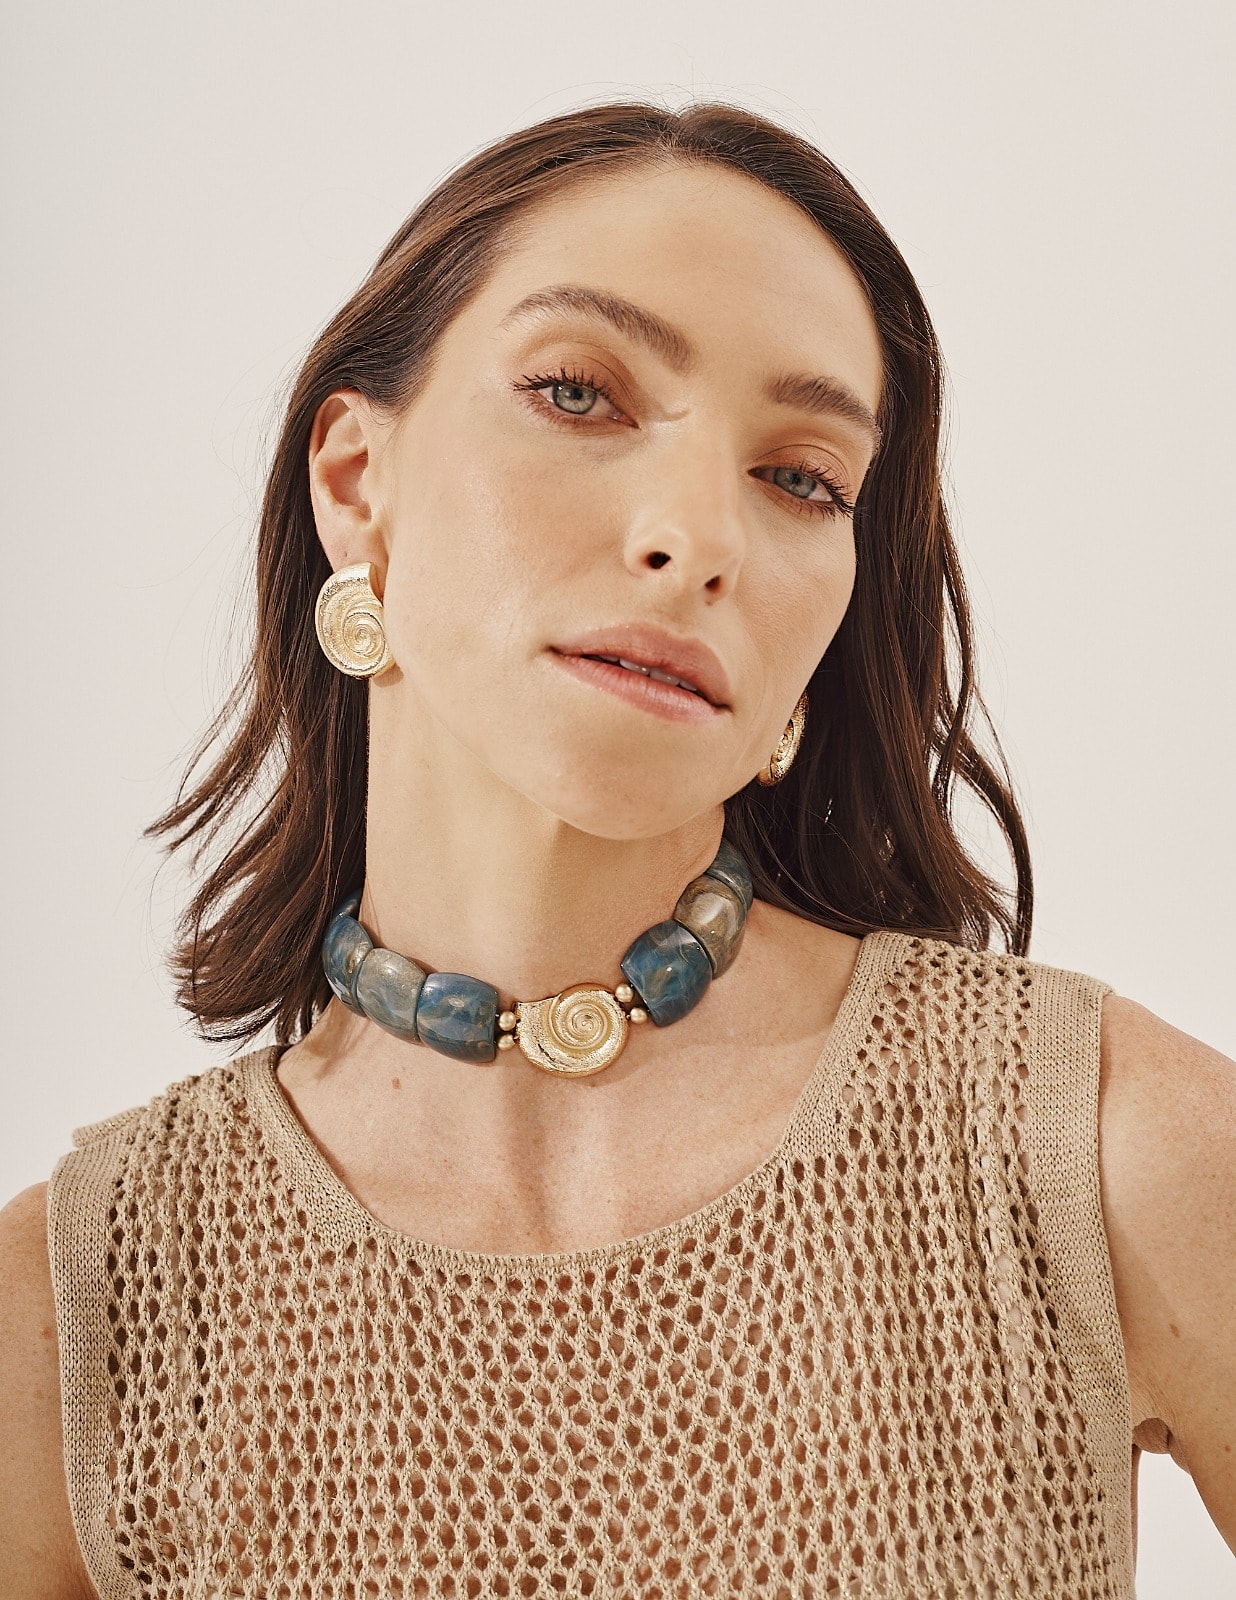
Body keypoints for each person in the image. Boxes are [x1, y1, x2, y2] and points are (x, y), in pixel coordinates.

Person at [1, 99, 1232, 1599]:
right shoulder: (77, 1320)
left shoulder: (1096, 1149)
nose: (696, 537)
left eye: (803, 477)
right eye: (579, 393)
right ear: (355, 482)